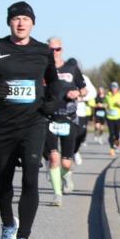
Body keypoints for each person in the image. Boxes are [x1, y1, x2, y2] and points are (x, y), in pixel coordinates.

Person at [0, 1, 61, 239]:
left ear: (33, 23)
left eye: (25, 19)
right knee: (3, 179)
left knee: (31, 176)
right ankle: (9, 225)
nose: (21, 23)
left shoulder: (43, 51)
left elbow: (54, 81)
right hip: (4, 125)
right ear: (9, 22)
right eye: (16, 19)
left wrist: (51, 105)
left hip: (34, 122)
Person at [42, 38, 87, 206]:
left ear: (62, 50)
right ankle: (57, 194)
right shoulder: (42, 68)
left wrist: (78, 94)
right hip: (48, 118)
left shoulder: (71, 68)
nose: (55, 52)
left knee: (66, 162)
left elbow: (84, 89)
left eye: (58, 49)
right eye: (51, 49)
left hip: (68, 118)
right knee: (54, 157)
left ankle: (64, 174)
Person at [73, 70, 93, 165]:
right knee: (70, 134)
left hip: (80, 111)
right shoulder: (63, 76)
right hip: (67, 111)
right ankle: (68, 155)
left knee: (81, 133)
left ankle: (75, 151)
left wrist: (82, 98)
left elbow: (93, 93)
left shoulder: (84, 78)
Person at [104, 81, 120, 157]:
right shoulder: (107, 96)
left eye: (115, 87)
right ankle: (111, 148)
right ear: (110, 88)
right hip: (109, 117)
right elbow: (105, 104)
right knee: (111, 133)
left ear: (117, 88)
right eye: (112, 87)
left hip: (118, 117)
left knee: (117, 134)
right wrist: (105, 105)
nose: (114, 89)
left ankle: (116, 143)